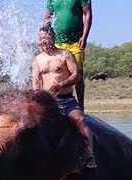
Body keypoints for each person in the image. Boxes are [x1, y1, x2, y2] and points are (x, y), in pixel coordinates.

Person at [32, 26, 96, 168]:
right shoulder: (38, 60)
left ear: (53, 38)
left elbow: (76, 75)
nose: (43, 41)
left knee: (80, 120)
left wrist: (61, 84)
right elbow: (36, 83)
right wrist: (38, 100)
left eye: (45, 38)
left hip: (66, 100)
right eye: (40, 38)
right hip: (48, 102)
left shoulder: (64, 55)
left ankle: (90, 155)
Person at [43, 0, 92, 110]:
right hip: (57, 43)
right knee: (56, 74)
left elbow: (88, 13)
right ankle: (53, 104)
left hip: (75, 42)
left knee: (77, 74)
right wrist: (46, 37)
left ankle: (81, 106)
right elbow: (47, 17)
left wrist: (85, 36)